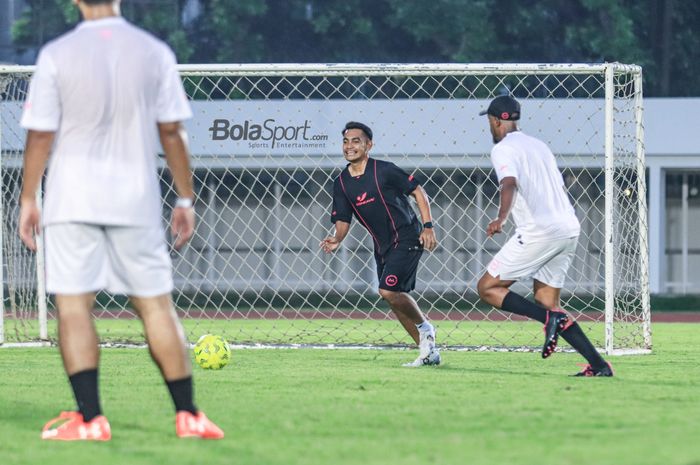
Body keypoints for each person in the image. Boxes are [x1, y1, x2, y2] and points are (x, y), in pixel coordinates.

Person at [18, 0, 224, 440]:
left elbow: (40, 134)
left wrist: (28, 198)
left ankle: (91, 420)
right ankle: (189, 415)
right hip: (135, 201)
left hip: (72, 200)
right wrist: (185, 197)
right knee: (155, 306)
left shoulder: (57, 53)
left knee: (74, 307)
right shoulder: (154, 51)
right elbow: (172, 132)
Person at [476, 95, 614, 377]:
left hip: (539, 230)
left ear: (495, 120)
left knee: (487, 288)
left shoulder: (502, 149)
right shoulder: (539, 145)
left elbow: (509, 183)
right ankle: (599, 366)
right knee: (548, 300)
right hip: (568, 227)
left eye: (489, 121)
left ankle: (548, 319)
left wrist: (501, 218)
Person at [320, 121, 440, 367]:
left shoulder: (384, 170)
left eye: (356, 141)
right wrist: (337, 238)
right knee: (392, 297)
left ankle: (426, 329)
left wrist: (428, 226)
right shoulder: (341, 183)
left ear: (368, 145)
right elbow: (343, 219)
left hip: (407, 236)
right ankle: (427, 352)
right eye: (345, 141)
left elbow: (418, 191)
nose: (349, 146)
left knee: (387, 290)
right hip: (382, 246)